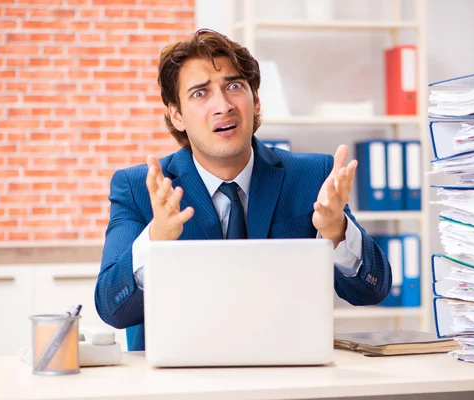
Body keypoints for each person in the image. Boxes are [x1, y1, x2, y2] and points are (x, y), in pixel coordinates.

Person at [95, 29, 392, 351]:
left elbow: (371, 291)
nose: (223, 105)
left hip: (290, 368)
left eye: (234, 87)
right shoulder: (139, 188)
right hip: (179, 377)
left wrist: (336, 231)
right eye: (200, 94)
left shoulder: (313, 175)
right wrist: (157, 239)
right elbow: (114, 308)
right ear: (176, 115)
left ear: (256, 100)